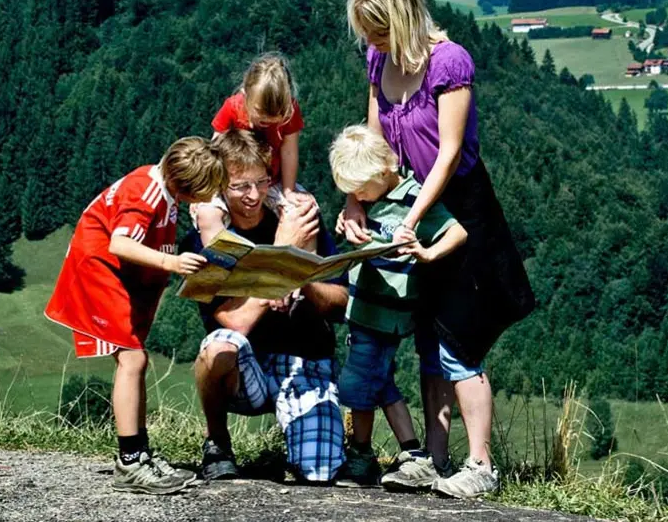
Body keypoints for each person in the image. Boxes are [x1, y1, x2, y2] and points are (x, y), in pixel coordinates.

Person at [344, 0, 536, 498]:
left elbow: (449, 154)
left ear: (402, 21)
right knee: (428, 338)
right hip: (407, 202)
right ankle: (433, 458)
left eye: (378, 32)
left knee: (460, 342)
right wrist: (357, 200)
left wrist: (409, 218)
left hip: (461, 210)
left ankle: (481, 466)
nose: (371, 44)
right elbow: (372, 144)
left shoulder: (449, 62)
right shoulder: (379, 62)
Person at [44, 137, 227, 495]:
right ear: (183, 185)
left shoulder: (158, 183)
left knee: (135, 359)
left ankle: (139, 453)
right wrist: (170, 263)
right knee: (132, 359)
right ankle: (129, 461)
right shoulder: (145, 194)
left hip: (116, 275)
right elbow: (120, 244)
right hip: (97, 270)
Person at [191, 129, 347, 484]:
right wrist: (277, 264)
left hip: (305, 359)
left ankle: (297, 446)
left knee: (320, 471)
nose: (254, 195)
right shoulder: (210, 236)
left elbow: (341, 302)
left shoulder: (298, 218)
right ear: (219, 186)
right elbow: (230, 321)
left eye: (261, 182)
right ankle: (217, 443)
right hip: (247, 367)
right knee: (217, 348)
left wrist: (301, 281)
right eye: (240, 186)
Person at [328, 125, 468, 489]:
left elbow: (457, 232)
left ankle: (360, 456)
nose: (357, 196)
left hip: (387, 315)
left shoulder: (415, 199)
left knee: (357, 385)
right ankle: (411, 451)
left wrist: (427, 253)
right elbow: (362, 219)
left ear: (385, 171)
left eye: (360, 189)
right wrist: (348, 224)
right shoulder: (368, 197)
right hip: (362, 308)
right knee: (381, 382)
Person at [193, 53, 315, 249]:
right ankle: (218, 259)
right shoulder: (233, 107)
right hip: (232, 182)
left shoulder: (290, 111)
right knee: (208, 213)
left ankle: (305, 266)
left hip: (270, 180)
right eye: (260, 113)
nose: (267, 120)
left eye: (276, 115)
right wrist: (207, 188)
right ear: (245, 94)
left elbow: (289, 152)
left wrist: (288, 190)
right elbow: (213, 150)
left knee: (303, 211)